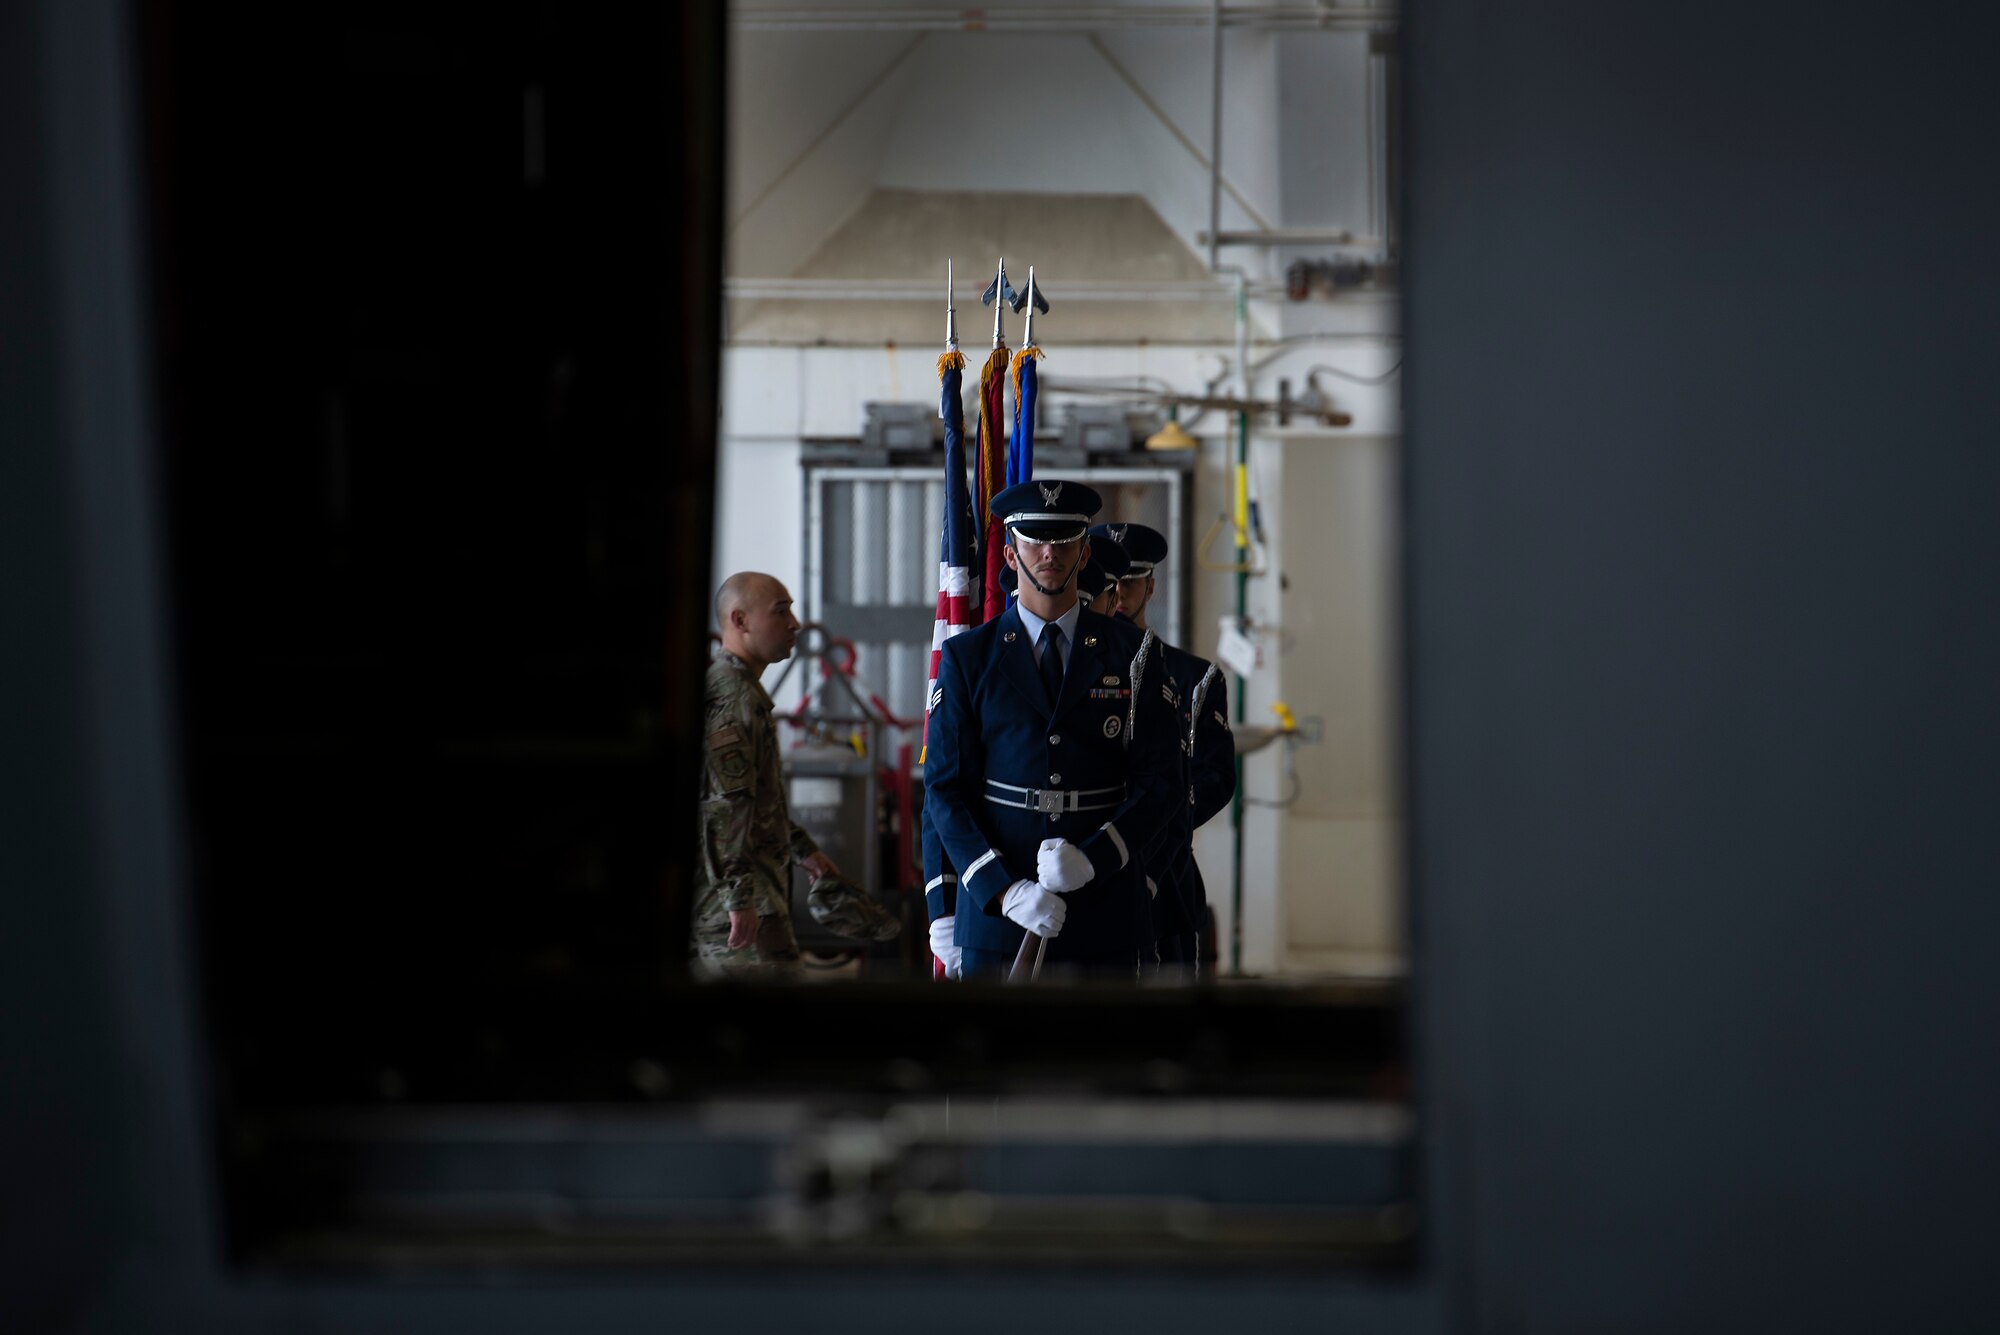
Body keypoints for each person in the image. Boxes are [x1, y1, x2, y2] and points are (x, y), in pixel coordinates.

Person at [923, 481, 1183, 980]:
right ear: (1010, 551)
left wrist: (1096, 858)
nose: (1049, 552)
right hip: (1000, 917)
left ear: (1084, 552)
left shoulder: (1135, 655)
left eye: (1064, 541)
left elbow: (1161, 783)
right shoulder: (969, 657)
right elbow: (945, 789)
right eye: (1035, 539)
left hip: (1104, 912)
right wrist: (1002, 890)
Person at [1089, 522, 1236, 975]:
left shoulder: (1194, 678)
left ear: (1150, 587)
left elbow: (1214, 778)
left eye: (1129, 581)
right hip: (1085, 860)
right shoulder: (1072, 666)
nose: (1118, 592)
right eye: (1108, 580)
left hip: (1165, 868)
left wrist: (1154, 821)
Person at [694, 571, 841, 977]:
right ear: (740, 621)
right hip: (736, 911)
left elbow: (756, 800)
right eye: (781, 612)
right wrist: (738, 901)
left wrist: (802, 849)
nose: (794, 623)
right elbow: (723, 810)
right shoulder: (733, 701)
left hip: (748, 899)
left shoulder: (743, 693)